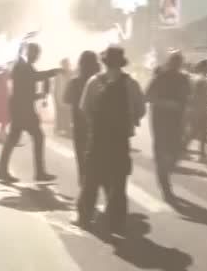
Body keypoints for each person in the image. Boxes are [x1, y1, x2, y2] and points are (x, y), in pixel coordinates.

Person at [76, 46, 145, 232]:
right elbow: (141, 109)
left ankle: (84, 216)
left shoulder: (94, 81)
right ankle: (116, 221)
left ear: (104, 62)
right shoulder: (131, 83)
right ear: (121, 63)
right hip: (120, 139)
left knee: (91, 180)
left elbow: (85, 108)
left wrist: (95, 123)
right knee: (118, 182)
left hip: (98, 138)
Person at [0, 42, 62, 183]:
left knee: (13, 139)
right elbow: (32, 79)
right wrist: (53, 72)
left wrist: (38, 94)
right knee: (37, 137)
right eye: (35, 53)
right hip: (23, 109)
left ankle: (2, 170)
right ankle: (39, 172)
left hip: (20, 107)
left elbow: (27, 85)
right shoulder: (22, 66)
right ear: (30, 52)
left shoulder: (23, 65)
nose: (37, 57)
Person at [146, 50, 190, 200]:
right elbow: (148, 95)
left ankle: (165, 174)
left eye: (179, 61)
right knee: (161, 153)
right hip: (160, 120)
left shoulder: (184, 78)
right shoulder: (160, 76)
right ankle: (165, 187)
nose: (177, 64)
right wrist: (165, 103)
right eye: (174, 61)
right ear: (169, 62)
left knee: (176, 152)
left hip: (177, 121)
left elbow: (187, 99)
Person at [63, 50, 101, 184]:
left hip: (79, 125)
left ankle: (85, 189)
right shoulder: (100, 81)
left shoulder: (74, 82)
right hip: (97, 126)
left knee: (81, 160)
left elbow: (66, 99)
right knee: (97, 160)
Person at [186, 60, 207, 161]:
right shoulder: (199, 79)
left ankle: (202, 153)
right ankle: (183, 149)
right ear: (203, 67)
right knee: (195, 131)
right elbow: (197, 95)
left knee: (203, 131)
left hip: (203, 108)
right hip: (198, 109)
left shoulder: (205, 78)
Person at [54, 57, 73, 136]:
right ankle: (61, 129)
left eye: (67, 64)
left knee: (68, 113)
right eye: (64, 64)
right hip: (60, 96)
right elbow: (56, 87)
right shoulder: (59, 75)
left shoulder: (72, 73)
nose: (66, 66)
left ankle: (67, 129)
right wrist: (55, 97)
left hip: (69, 96)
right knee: (61, 113)